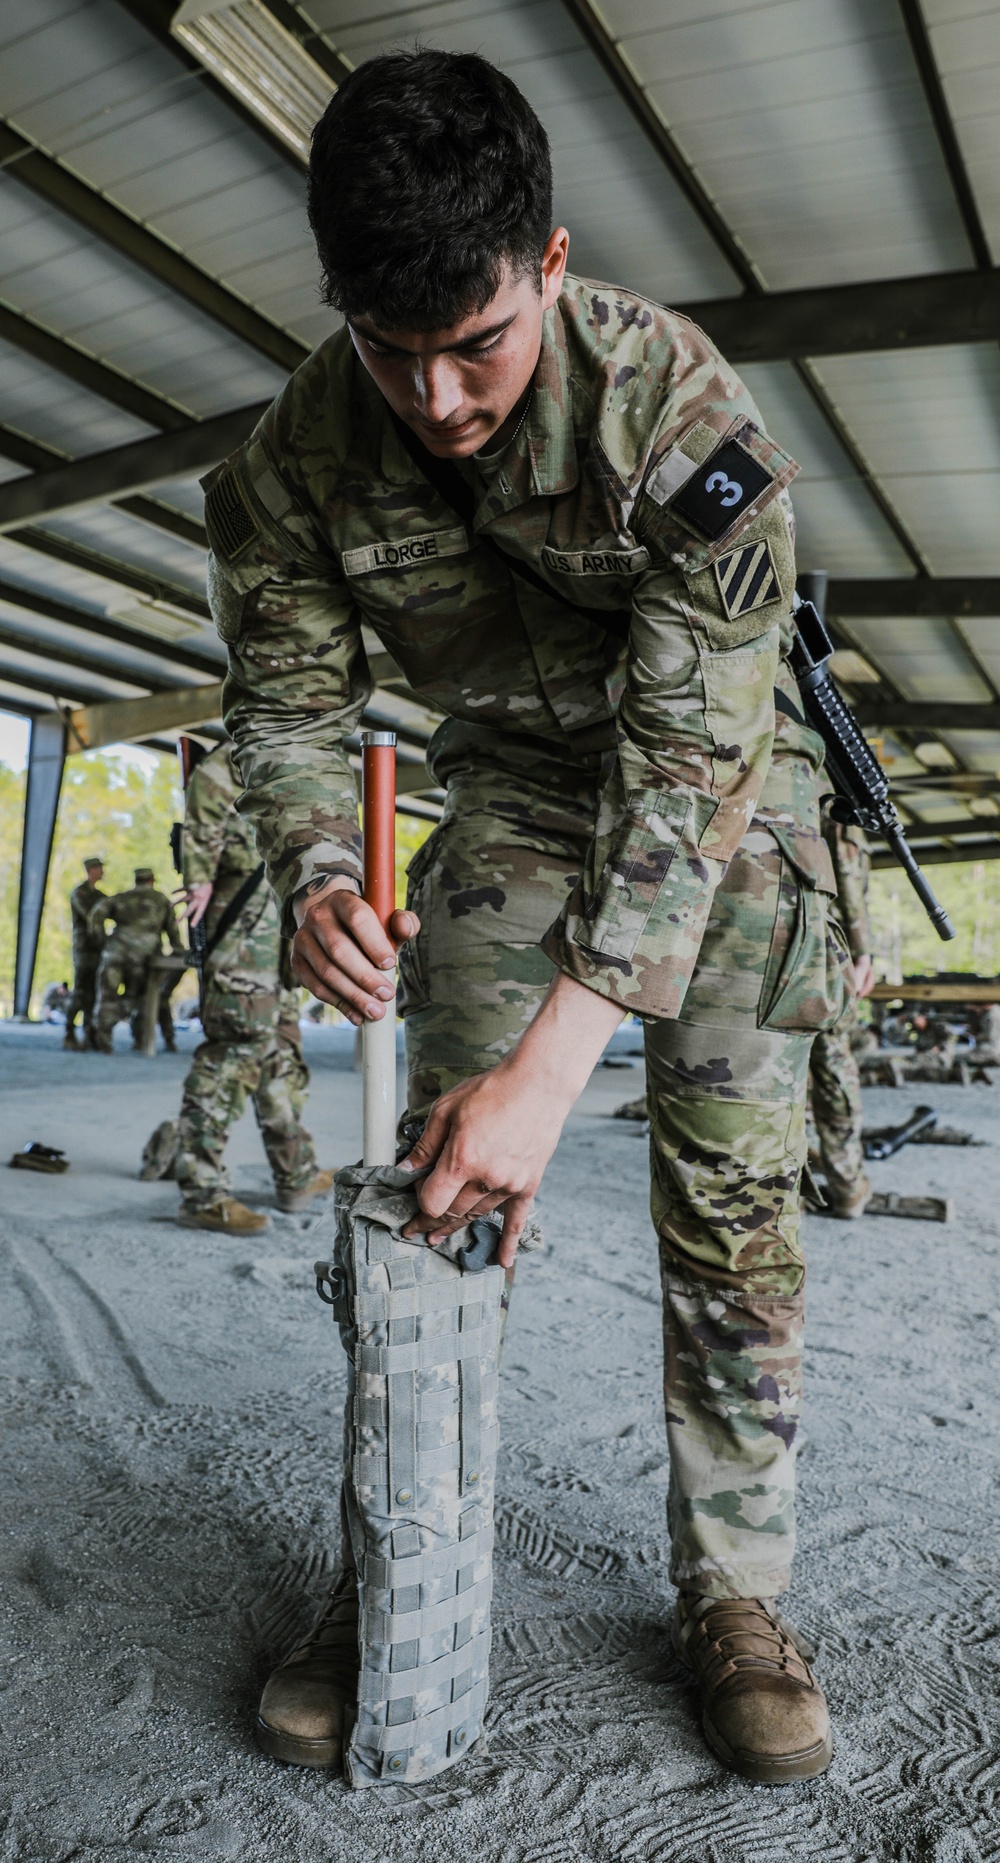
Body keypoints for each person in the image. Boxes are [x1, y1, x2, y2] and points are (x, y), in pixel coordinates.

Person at [207, 51, 851, 1785]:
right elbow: (277, 711)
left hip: (728, 806)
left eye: (476, 344)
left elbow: (691, 750)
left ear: (550, 266)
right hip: (513, 795)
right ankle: (398, 1544)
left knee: (726, 1198)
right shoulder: (287, 464)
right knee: (439, 1177)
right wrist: (317, 875)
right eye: (387, 346)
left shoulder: (685, 420)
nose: (435, 394)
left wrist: (565, 1057)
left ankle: (734, 1594)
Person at [174, 740, 333, 1233]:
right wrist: (198, 876)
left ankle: (296, 1174)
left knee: (281, 1051)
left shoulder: (305, 747)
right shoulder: (244, 747)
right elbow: (207, 793)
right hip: (240, 930)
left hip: (276, 934)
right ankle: (202, 1192)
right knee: (234, 1049)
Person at [809, 819, 874, 1217]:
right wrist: (864, 949)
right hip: (826, 954)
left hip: (771, 943)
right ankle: (847, 1184)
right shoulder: (831, 789)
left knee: (783, 1074)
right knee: (833, 1066)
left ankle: (785, 1190)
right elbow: (848, 877)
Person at [91, 868, 183, 1053]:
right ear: (151, 880)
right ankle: (140, 1039)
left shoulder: (121, 898)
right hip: (143, 957)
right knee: (140, 997)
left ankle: (103, 1038)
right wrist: (178, 950)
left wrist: (101, 941)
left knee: (107, 995)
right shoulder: (160, 900)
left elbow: (96, 913)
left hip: (115, 953)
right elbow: (172, 930)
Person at [65, 856, 106, 1049]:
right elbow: (91, 915)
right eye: (99, 868)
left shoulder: (98, 895)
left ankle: (89, 1034)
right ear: (91, 870)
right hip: (84, 948)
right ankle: (69, 1031)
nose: (102, 872)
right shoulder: (80, 893)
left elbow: (111, 907)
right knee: (81, 990)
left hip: (97, 947)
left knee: (93, 992)